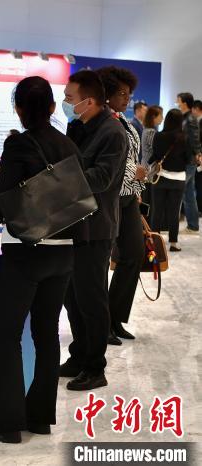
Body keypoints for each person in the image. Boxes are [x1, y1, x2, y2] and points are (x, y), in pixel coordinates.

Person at [0, 76, 82, 444]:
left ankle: (8, 421)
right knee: (47, 335)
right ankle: (40, 416)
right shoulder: (68, 144)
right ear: (52, 107)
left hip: (26, 251)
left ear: (18, 108)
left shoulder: (18, 144)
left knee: (8, 337)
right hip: (64, 250)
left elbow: (4, 200)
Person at [59, 70, 128, 391]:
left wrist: (59, 179)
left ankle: (95, 367)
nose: (65, 102)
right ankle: (79, 355)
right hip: (72, 223)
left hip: (96, 228)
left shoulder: (113, 133)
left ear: (88, 101)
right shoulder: (78, 127)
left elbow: (102, 178)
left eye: (69, 98)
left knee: (91, 298)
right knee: (72, 297)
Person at [96, 66, 146, 345]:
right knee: (101, 262)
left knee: (134, 254)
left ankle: (115, 317)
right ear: (107, 94)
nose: (127, 98)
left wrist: (137, 187)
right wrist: (133, 174)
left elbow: (132, 158)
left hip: (128, 198)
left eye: (129, 93)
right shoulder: (99, 122)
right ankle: (101, 323)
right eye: (122, 93)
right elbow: (107, 163)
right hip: (108, 198)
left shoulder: (124, 121)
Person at [149, 109, 188, 251]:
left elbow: (155, 155)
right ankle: (173, 243)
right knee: (174, 212)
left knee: (157, 211)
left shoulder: (158, 135)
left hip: (161, 177)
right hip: (178, 179)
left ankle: (154, 242)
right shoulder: (185, 137)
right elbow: (189, 159)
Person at [176, 92, 202, 233]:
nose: (177, 103)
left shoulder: (190, 119)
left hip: (188, 161)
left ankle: (186, 225)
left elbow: (194, 139)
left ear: (184, 103)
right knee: (189, 194)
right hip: (187, 160)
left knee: (180, 192)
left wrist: (198, 154)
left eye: (178, 101)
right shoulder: (186, 118)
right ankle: (193, 225)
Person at [140, 105, 164, 216]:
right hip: (149, 171)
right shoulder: (151, 132)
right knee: (148, 201)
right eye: (161, 115)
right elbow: (156, 150)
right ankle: (147, 224)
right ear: (154, 117)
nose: (162, 118)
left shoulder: (149, 130)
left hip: (148, 169)